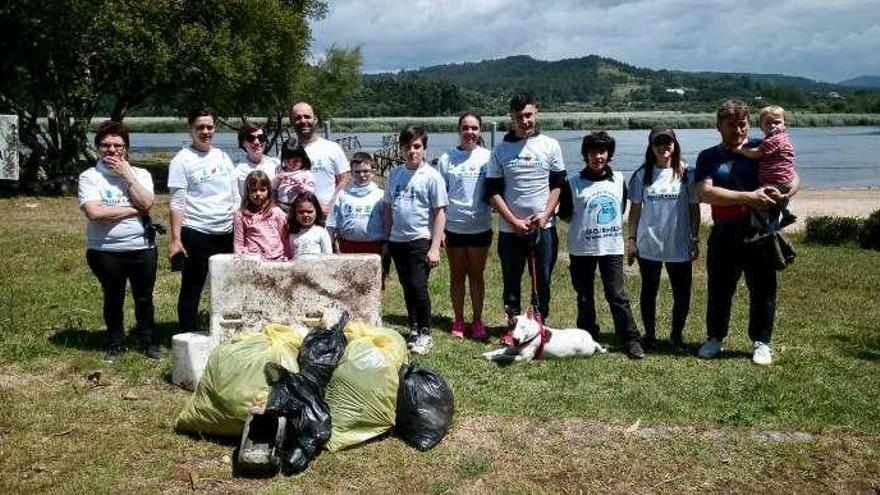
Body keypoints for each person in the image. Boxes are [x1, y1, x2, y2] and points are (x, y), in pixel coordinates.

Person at [695, 100, 799, 366]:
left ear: (749, 124)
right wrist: (748, 196)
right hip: (725, 232)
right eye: (732, 125)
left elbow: (794, 176)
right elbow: (705, 193)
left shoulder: (762, 147)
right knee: (719, 288)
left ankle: (762, 342)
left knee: (763, 289)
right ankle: (715, 338)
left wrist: (784, 193)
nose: (739, 130)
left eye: (743, 125)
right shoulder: (708, 156)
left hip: (760, 231)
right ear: (718, 125)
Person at [485, 93, 566, 345]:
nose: (525, 120)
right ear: (512, 118)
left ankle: (539, 326)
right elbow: (492, 191)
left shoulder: (550, 145)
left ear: (536, 113)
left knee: (542, 278)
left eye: (528, 115)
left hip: (544, 227)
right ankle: (511, 328)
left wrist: (545, 215)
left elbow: (558, 185)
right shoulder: (499, 151)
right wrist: (512, 221)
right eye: (519, 116)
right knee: (511, 280)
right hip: (511, 231)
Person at [559, 131, 645, 359]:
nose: (598, 156)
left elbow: (621, 207)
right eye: (593, 152)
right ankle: (586, 337)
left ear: (609, 154)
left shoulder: (618, 179)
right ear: (586, 154)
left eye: (602, 151)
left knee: (617, 295)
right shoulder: (573, 183)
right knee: (584, 296)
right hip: (582, 249)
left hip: (612, 249)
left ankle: (631, 339)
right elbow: (566, 215)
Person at [78, 121, 159, 362]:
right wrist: (135, 210)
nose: (112, 150)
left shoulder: (141, 174)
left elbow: (147, 202)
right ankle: (115, 343)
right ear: (97, 148)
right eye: (105, 145)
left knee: (144, 298)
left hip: (141, 247)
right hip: (105, 250)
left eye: (118, 145)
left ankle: (148, 342)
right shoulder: (89, 176)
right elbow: (95, 213)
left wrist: (128, 177)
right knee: (113, 297)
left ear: (126, 148)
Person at [626, 126, 700, 349]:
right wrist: (631, 240)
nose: (663, 146)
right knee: (649, 292)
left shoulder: (687, 173)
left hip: (679, 245)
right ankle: (650, 336)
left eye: (668, 142)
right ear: (651, 147)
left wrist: (694, 239)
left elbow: (694, 209)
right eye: (658, 142)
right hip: (649, 245)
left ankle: (676, 336)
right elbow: (635, 211)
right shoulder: (641, 175)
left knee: (682, 294)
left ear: (675, 144)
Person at [167, 107, 239, 334]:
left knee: (227, 284)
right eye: (200, 127)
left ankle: (225, 329)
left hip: (226, 231)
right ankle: (187, 332)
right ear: (191, 129)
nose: (205, 131)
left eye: (209, 127)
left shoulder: (223, 157)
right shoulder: (182, 160)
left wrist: (238, 225)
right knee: (193, 285)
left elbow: (235, 195)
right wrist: (176, 238)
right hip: (196, 231)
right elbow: (177, 202)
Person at [384, 125, 448, 354]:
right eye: (407, 147)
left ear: (424, 149)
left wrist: (434, 248)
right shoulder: (395, 174)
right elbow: (389, 207)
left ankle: (425, 332)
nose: (412, 151)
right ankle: (412, 326)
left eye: (417, 146)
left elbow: (440, 212)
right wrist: (387, 237)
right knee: (406, 286)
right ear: (401, 149)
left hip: (420, 239)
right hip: (397, 241)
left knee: (418, 286)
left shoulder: (432, 177)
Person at [437, 112, 492, 341]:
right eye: (465, 128)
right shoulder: (446, 159)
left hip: (480, 226)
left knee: (476, 275)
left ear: (480, 131)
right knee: (457, 275)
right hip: (454, 228)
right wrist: (439, 231)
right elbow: (440, 198)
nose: (470, 132)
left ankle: (477, 320)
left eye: (474, 128)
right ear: (459, 130)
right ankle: (459, 320)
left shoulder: (489, 157)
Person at [734, 104, 798, 230]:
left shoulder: (774, 140)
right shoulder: (782, 138)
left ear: (785, 125)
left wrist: (740, 150)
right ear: (761, 127)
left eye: (777, 122)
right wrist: (746, 141)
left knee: (759, 199)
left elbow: (756, 153)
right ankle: (786, 212)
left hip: (776, 181)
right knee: (775, 198)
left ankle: (757, 226)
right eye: (768, 123)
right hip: (786, 178)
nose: (773, 126)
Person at [290, 101, 350, 215]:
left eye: (307, 116)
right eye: (298, 118)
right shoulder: (287, 152)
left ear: (315, 119)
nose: (303, 121)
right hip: (298, 217)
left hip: (328, 215)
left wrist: (331, 205)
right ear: (292, 122)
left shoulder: (332, 148)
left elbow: (345, 179)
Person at [327, 152, 387, 252]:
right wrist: (336, 247)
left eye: (366, 171)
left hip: (375, 246)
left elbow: (387, 222)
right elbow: (333, 225)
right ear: (351, 173)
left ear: (373, 172)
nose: (362, 175)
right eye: (357, 172)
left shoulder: (381, 195)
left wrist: (386, 246)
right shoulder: (343, 195)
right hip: (348, 246)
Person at [234, 170, 289, 260]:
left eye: (262, 190)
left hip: (277, 259)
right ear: (248, 192)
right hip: (253, 261)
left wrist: (287, 257)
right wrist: (239, 260)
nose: (258, 194)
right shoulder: (241, 215)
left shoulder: (276, 212)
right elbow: (238, 242)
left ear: (268, 191)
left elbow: (285, 238)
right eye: (254, 190)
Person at [234, 123, 278, 196]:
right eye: (251, 138)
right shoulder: (237, 171)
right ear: (243, 143)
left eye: (261, 138)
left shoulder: (275, 164)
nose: (257, 142)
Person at [274, 140, 316, 213]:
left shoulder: (306, 173)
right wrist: (277, 180)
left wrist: (301, 188)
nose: (291, 164)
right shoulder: (280, 170)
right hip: (281, 205)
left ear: (302, 159)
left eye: (296, 161)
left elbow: (311, 193)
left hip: (299, 207)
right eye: (288, 161)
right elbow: (273, 188)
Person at [287, 191, 333, 256]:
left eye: (309, 212)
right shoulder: (293, 234)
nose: (305, 215)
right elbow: (292, 256)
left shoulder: (321, 232)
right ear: (295, 213)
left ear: (317, 211)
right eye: (301, 212)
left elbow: (328, 257)